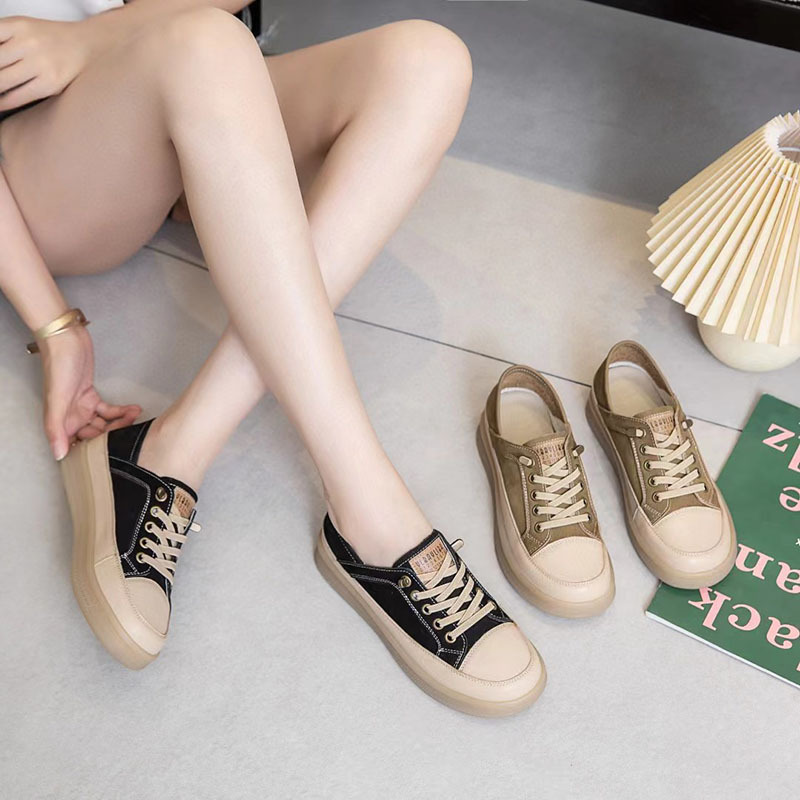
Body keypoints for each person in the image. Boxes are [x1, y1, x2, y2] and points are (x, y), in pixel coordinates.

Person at [0, 0, 546, 715]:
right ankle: (372, 510)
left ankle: (173, 446)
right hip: (36, 160)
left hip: (162, 73)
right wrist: (56, 325)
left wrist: (96, 35)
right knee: (205, 44)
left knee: (428, 62)